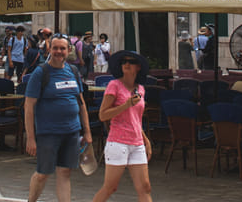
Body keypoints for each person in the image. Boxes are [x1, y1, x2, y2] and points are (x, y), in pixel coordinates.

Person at [24, 34, 92, 202]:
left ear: (69, 50)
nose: (59, 52)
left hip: (71, 132)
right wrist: (31, 138)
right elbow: (29, 107)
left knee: (65, 172)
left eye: (62, 48)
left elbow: (81, 103)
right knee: (43, 174)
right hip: (48, 133)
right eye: (55, 48)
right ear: (50, 49)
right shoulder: (40, 73)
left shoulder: (73, 71)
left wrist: (87, 131)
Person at [91, 51, 152, 202]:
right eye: (124, 61)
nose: (126, 64)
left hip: (137, 142)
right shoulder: (114, 85)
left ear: (138, 67)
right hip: (118, 142)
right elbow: (103, 115)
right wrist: (126, 105)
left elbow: (136, 119)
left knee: (145, 187)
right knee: (110, 187)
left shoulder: (141, 89)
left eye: (131, 62)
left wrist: (146, 140)